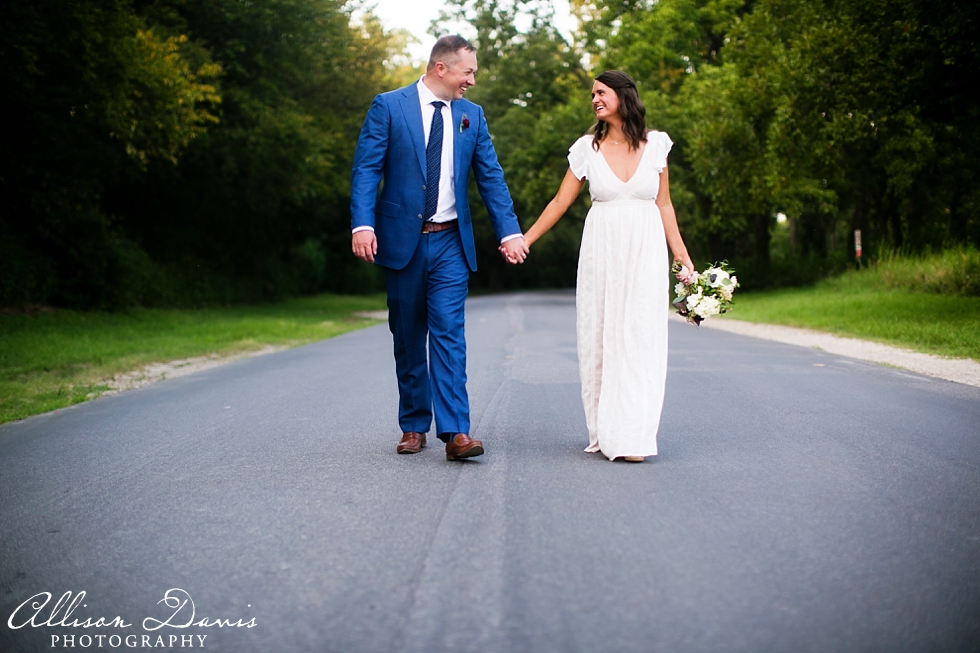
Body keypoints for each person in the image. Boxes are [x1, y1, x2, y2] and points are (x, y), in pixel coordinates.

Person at [351, 35, 529, 461]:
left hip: (451, 240)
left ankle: (456, 432)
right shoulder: (389, 106)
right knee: (409, 335)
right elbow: (366, 168)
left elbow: (491, 177)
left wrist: (509, 232)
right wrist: (362, 223)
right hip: (401, 241)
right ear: (441, 68)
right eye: (468, 72)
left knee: (449, 335)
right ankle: (413, 425)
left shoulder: (473, 116)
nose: (472, 81)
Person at [516, 71, 695, 462]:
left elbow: (664, 204)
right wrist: (524, 239)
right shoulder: (586, 149)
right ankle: (607, 429)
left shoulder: (656, 145)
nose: (594, 99)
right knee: (601, 335)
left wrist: (682, 255)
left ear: (623, 95)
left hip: (646, 251)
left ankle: (634, 434)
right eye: (592, 94)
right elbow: (559, 203)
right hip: (603, 251)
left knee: (641, 336)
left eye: (601, 92)